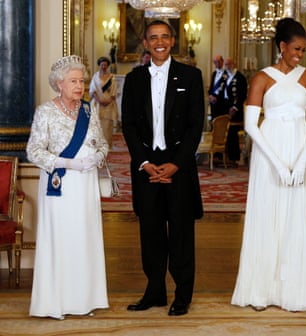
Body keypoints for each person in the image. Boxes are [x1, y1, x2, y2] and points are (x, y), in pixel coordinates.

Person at [231, 18, 306, 312]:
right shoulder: (261, 78)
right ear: (282, 46)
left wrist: (299, 162)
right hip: (269, 153)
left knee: (297, 218)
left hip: (300, 150)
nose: (300, 54)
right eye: (296, 49)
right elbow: (251, 126)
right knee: (266, 216)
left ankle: (293, 293)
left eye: (303, 50)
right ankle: (261, 290)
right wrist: (280, 166)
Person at [121, 20, 205, 317]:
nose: (159, 42)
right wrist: (143, 163)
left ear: (173, 41)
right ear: (145, 42)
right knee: (150, 233)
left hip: (178, 166)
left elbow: (197, 124)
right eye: (153, 37)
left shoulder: (191, 76)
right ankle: (155, 291)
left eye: (164, 37)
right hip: (146, 166)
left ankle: (182, 295)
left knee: (181, 233)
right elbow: (128, 125)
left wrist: (177, 163)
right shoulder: (134, 79)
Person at [27, 55, 109, 320]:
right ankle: (56, 302)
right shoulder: (45, 112)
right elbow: (34, 152)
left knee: (84, 238)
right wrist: (66, 163)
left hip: (86, 186)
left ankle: (84, 300)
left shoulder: (88, 110)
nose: (80, 86)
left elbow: (104, 144)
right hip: (60, 184)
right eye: (73, 81)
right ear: (59, 84)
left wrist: (98, 157)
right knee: (61, 239)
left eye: (82, 81)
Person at [223, 57, 248, 166]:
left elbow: (242, 95)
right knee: (226, 133)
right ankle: (227, 156)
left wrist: (235, 107)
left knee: (233, 133)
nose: (227, 67)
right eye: (226, 64)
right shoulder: (225, 76)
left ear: (234, 64)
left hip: (235, 110)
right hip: (225, 108)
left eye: (229, 64)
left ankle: (234, 156)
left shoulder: (240, 77)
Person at [89, 56, 119, 146]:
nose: (104, 67)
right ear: (99, 65)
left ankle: (107, 145)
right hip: (97, 104)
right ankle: (97, 145)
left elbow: (114, 91)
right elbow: (92, 90)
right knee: (96, 124)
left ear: (108, 66)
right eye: (102, 65)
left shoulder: (112, 77)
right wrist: (99, 101)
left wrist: (108, 101)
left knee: (107, 125)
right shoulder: (95, 76)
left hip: (109, 104)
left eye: (105, 65)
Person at [208, 54, 227, 120]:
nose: (217, 63)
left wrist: (217, 98)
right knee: (214, 121)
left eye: (219, 61)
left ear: (222, 62)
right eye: (215, 62)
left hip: (222, 102)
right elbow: (211, 87)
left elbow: (226, 89)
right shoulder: (214, 74)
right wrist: (210, 95)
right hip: (213, 103)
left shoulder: (226, 74)